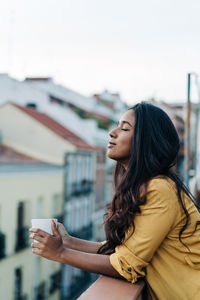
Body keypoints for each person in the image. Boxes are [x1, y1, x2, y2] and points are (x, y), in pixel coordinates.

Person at [29, 102, 200, 300]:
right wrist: (69, 242)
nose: (112, 132)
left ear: (146, 140)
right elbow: (122, 248)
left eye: (124, 128)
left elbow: (126, 265)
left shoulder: (160, 189)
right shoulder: (151, 185)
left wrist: (60, 253)